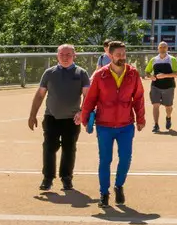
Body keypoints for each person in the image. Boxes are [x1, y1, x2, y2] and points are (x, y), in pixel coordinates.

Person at [77, 40, 146, 208]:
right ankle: (104, 193)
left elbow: (138, 98)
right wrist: (85, 118)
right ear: (110, 55)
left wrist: (141, 118)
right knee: (105, 159)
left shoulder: (133, 74)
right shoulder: (100, 75)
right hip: (104, 125)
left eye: (124, 54)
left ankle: (119, 185)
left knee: (125, 159)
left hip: (126, 125)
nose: (121, 57)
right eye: (118, 55)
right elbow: (90, 99)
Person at [26, 44, 90, 195]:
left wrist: (82, 112)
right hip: (51, 117)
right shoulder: (49, 73)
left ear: (75, 56)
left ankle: (66, 178)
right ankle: (48, 178)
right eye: (62, 54)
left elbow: (88, 96)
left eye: (68, 54)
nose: (65, 57)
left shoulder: (81, 73)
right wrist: (32, 114)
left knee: (69, 149)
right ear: (57, 56)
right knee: (48, 147)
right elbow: (40, 94)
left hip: (72, 119)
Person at [148, 42, 177, 133]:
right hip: (155, 86)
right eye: (161, 47)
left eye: (164, 47)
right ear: (158, 48)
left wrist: (165, 75)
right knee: (155, 105)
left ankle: (168, 117)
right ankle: (156, 125)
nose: (162, 49)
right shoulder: (153, 60)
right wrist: (150, 76)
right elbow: (147, 72)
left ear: (167, 48)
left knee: (168, 107)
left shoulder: (172, 59)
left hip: (168, 86)